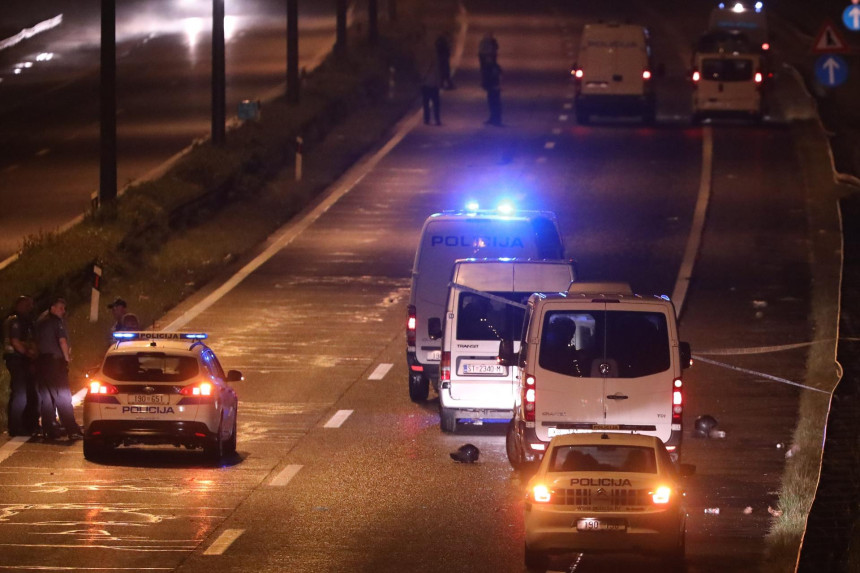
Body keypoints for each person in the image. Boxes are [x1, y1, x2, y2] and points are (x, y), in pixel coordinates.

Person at [34, 297, 81, 440]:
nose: (63, 311)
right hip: (55, 363)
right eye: (60, 308)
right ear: (52, 308)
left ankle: (50, 429)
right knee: (63, 397)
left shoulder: (40, 321)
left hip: (42, 363)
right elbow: (62, 341)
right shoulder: (56, 322)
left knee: (47, 398)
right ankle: (72, 429)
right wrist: (67, 359)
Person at [3, 296, 38, 436]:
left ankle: (26, 424)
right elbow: (15, 341)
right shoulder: (15, 321)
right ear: (20, 305)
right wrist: (29, 353)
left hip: (19, 359)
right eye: (27, 305)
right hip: (16, 359)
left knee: (24, 392)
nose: (30, 308)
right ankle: (16, 426)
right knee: (20, 393)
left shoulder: (20, 319)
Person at [481, 58, 503, 126]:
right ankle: (493, 118)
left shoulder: (494, 67)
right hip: (491, 88)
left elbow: (498, 76)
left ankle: (497, 119)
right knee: (491, 103)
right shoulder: (488, 67)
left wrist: (498, 85)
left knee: (495, 104)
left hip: (494, 88)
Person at [421, 56, 442, 126]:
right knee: (436, 104)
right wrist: (438, 85)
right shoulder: (434, 66)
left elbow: (421, 76)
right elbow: (438, 76)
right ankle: (437, 119)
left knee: (426, 104)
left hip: (426, 86)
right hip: (433, 86)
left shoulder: (423, 66)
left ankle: (427, 119)